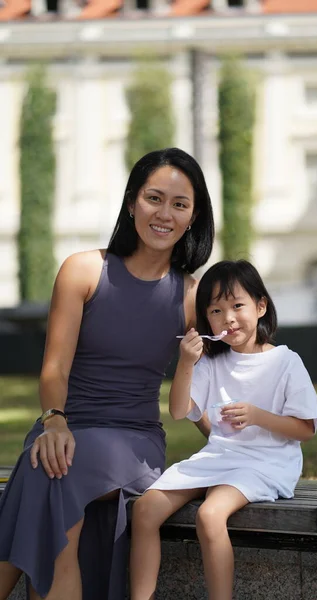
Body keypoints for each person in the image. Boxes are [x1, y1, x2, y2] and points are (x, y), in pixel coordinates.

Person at [0, 147, 214, 600]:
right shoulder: (83, 270)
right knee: (49, 461)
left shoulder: (193, 296)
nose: (165, 214)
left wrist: (241, 451)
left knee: (48, 470)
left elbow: (210, 387)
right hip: (64, 425)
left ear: (193, 217)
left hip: (134, 440)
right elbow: (55, 366)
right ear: (133, 201)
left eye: (180, 204)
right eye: (154, 198)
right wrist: (54, 419)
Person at [130, 259, 317, 600]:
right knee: (145, 509)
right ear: (206, 319)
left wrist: (257, 415)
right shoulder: (210, 361)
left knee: (209, 515)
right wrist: (187, 363)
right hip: (220, 456)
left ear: (261, 306)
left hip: (266, 462)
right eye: (216, 311)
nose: (229, 318)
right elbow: (178, 411)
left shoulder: (285, 361)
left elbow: (305, 429)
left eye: (237, 306)